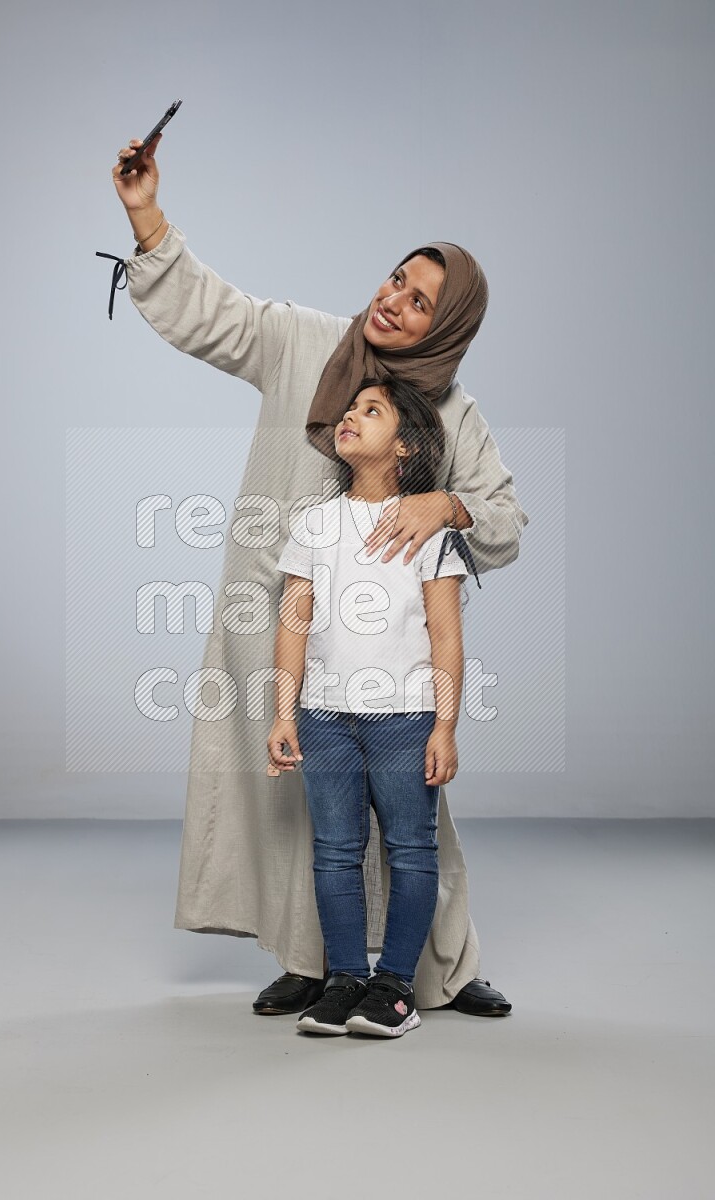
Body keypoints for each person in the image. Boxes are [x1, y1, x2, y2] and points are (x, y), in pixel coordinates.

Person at [107, 132, 529, 1018]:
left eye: (419, 303)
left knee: (415, 814)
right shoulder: (305, 344)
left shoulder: (450, 414)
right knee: (300, 803)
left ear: (445, 328)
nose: (393, 302)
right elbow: (213, 313)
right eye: (394, 280)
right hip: (278, 621)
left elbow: (503, 521)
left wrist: (444, 505)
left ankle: (439, 968)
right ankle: (311, 962)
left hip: (393, 652)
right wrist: (146, 215)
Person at [268, 373, 471, 1037]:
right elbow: (294, 621)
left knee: (412, 850)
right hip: (326, 719)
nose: (351, 416)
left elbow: (445, 635)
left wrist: (444, 725)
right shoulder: (315, 524)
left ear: (405, 445)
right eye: (352, 408)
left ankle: (395, 990)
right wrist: (284, 714)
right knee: (335, 851)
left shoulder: (428, 530)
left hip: (407, 718)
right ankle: (345, 978)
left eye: (371, 410)